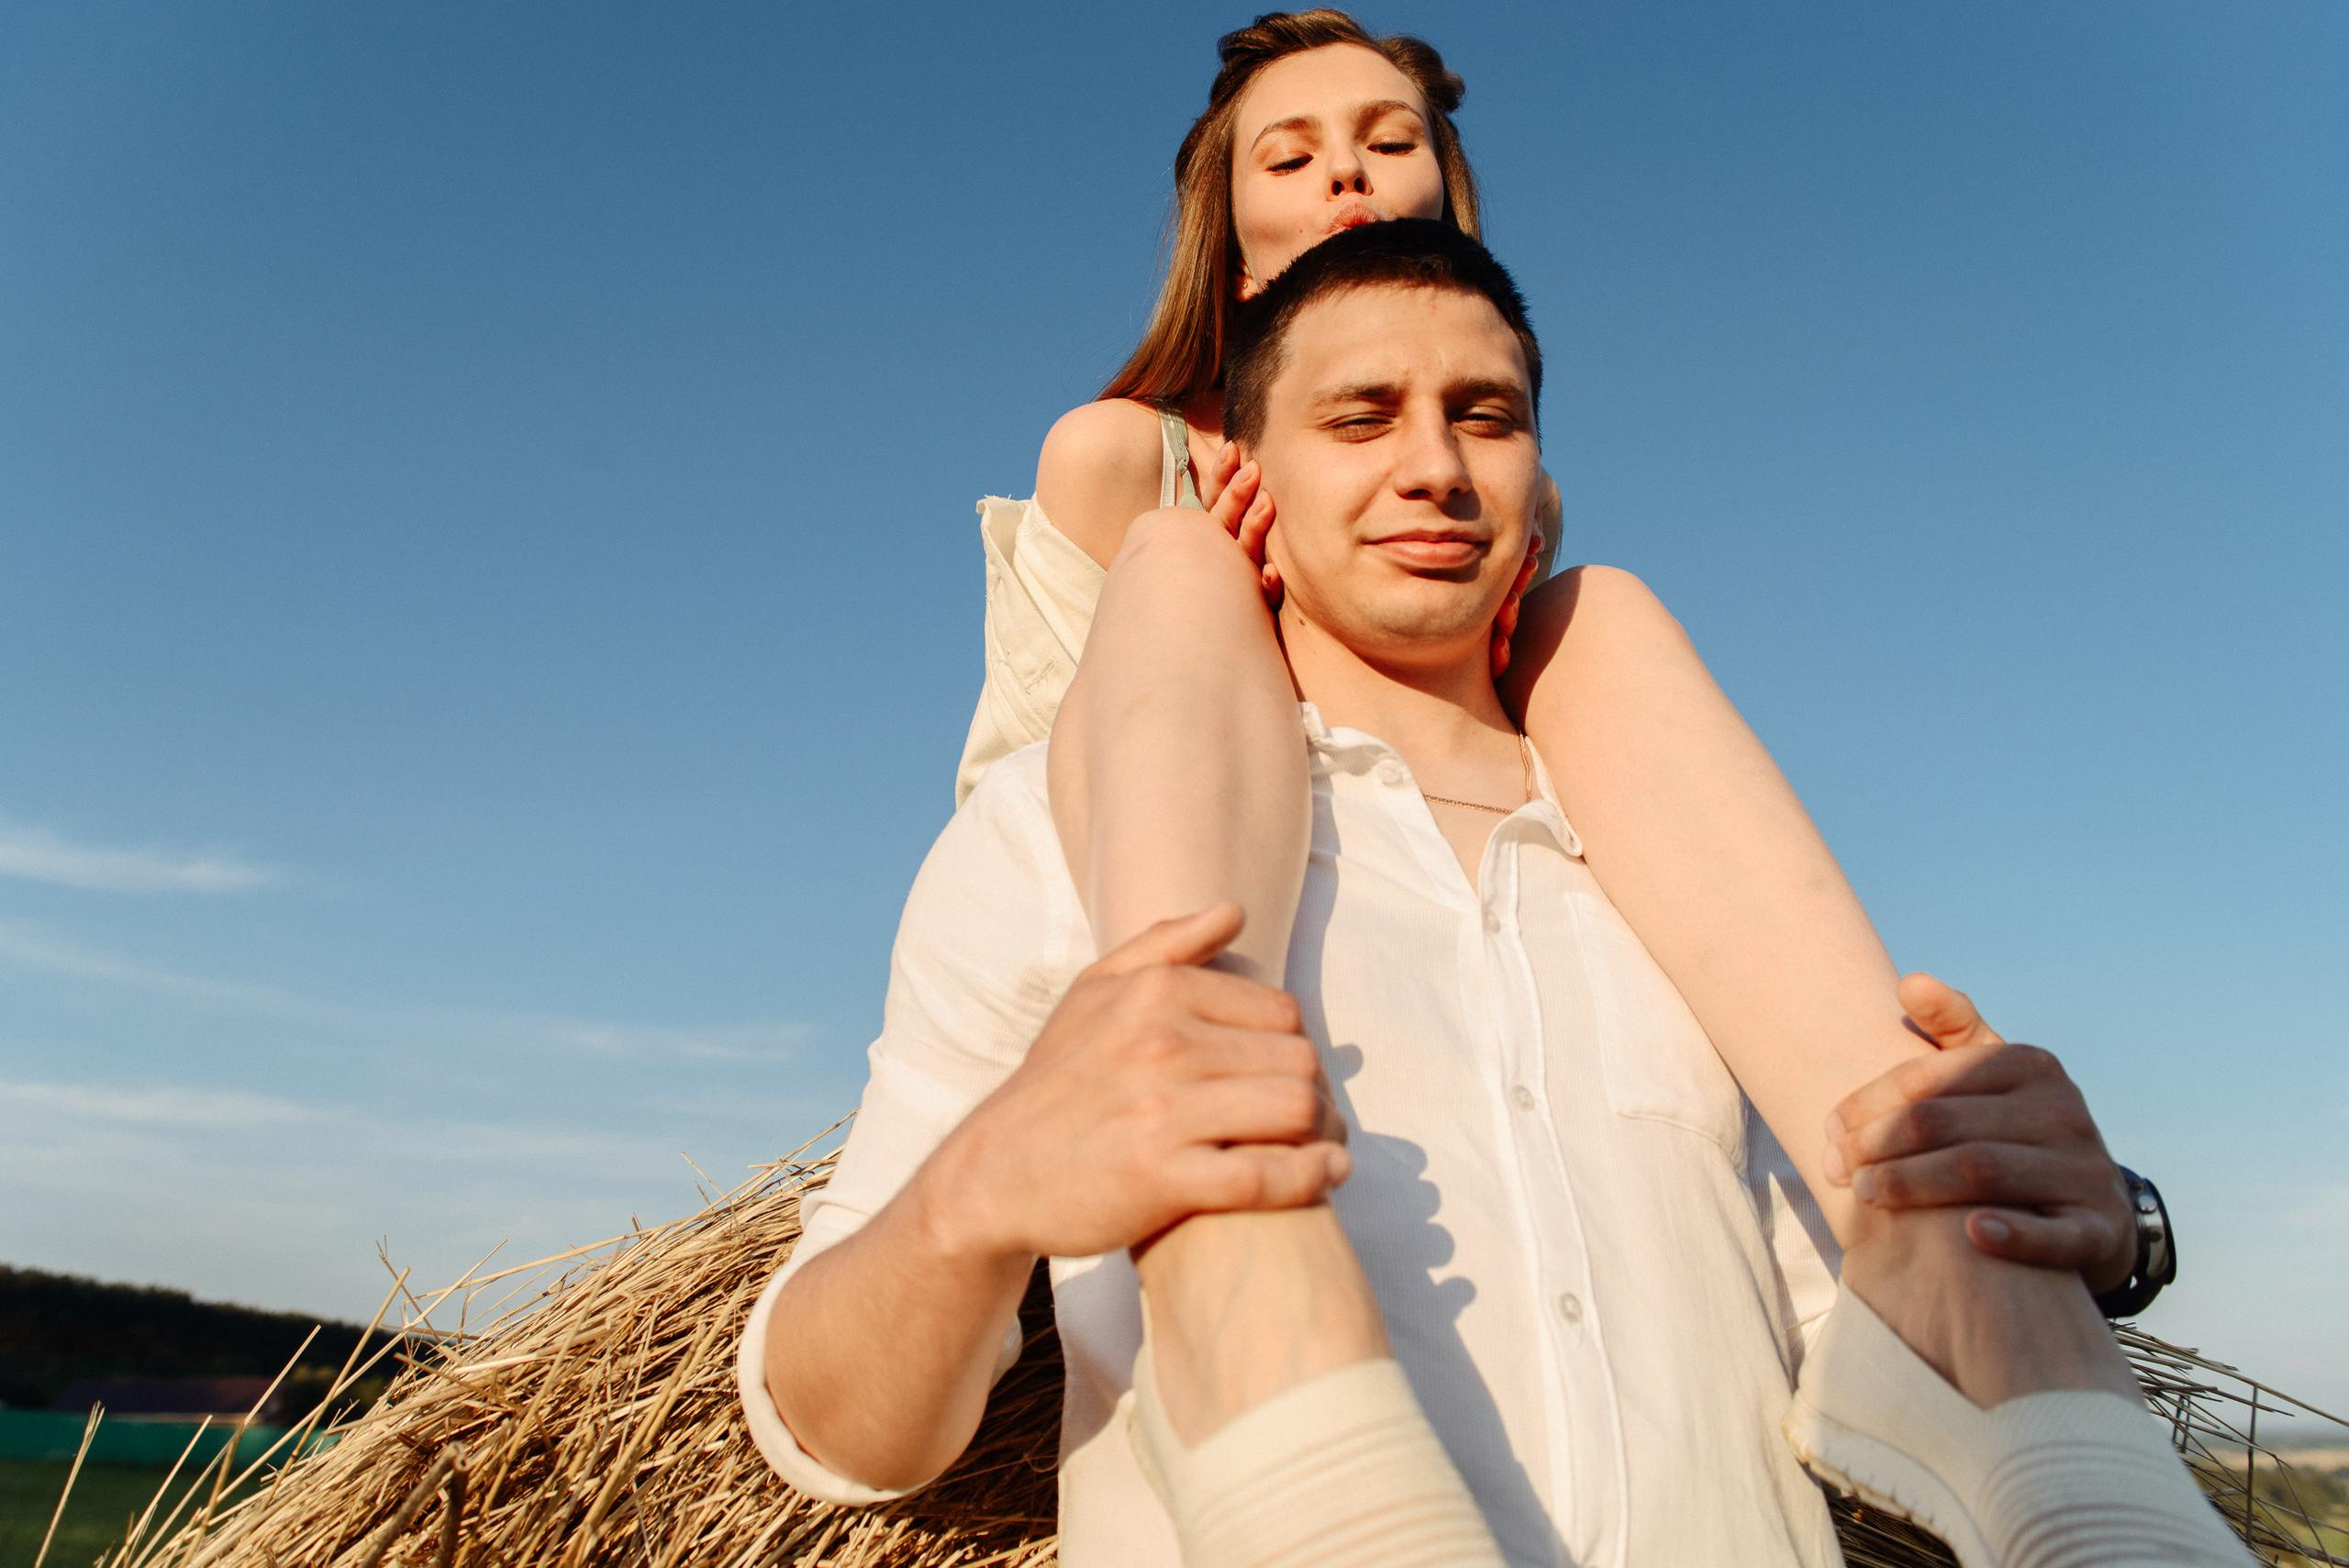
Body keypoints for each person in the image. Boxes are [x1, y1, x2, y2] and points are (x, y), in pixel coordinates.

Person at [740, 224, 2249, 1567]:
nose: (1436, 467)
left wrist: (2085, 1218)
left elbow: (1817, 1299)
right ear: (1250, 480)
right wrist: (979, 1192)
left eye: (1488, 416)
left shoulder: (1693, 862)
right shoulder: (1054, 836)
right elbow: (828, 1428)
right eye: (1361, 416)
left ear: (1537, 478)